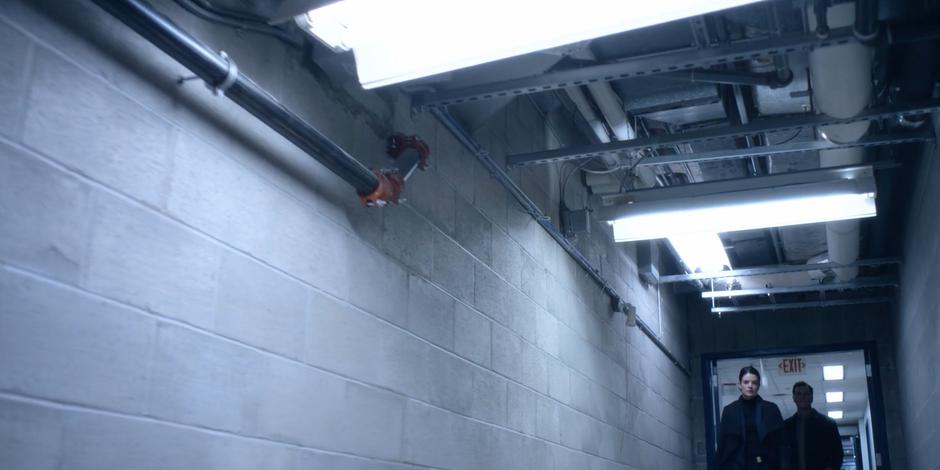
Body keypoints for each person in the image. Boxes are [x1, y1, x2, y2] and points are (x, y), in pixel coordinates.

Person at [717, 366, 790, 469]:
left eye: (754, 382)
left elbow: (782, 444)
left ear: (759, 386)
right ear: (739, 385)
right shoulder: (730, 411)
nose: (750, 386)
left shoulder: (771, 409)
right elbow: (722, 446)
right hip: (738, 465)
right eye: (746, 382)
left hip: (766, 464)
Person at [783, 381, 843, 470]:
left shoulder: (827, 424)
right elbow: (783, 454)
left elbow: (837, 454)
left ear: (811, 397)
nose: (802, 397)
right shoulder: (786, 426)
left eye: (806, 394)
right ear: (794, 398)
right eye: (799, 394)